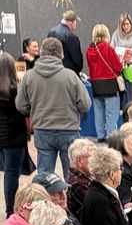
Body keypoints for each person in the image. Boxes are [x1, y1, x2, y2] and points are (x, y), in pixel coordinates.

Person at [18, 36, 90, 182]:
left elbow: (21, 105)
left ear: (42, 53)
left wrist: (34, 110)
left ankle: (43, 203)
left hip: (42, 129)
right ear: (61, 54)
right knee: (72, 176)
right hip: (69, 130)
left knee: (44, 176)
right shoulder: (71, 76)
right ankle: (71, 203)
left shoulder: (29, 76)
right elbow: (85, 104)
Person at [0, 54, 31, 217]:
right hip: (13, 135)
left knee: (9, 171)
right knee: (12, 172)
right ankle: (10, 209)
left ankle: (10, 207)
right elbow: (22, 110)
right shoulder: (13, 90)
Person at [85, 23, 128, 136]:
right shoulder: (108, 48)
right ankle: (111, 137)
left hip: (96, 85)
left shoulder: (89, 49)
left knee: (99, 113)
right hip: (110, 86)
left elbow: (90, 66)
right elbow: (118, 67)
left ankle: (100, 137)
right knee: (111, 115)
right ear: (106, 34)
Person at [48, 10, 86, 75]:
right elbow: (77, 60)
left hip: (52, 71)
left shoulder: (51, 32)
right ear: (72, 22)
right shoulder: (71, 36)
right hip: (68, 74)